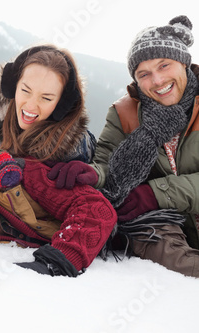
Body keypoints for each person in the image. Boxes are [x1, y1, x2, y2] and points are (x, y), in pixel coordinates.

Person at [50, 16, 199, 278]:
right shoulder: (124, 114)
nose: (157, 80)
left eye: (164, 65)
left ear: (184, 63)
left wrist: (156, 193)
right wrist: (93, 174)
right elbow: (107, 163)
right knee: (163, 249)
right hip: (163, 225)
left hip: (168, 206)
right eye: (144, 74)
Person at [0, 44, 96, 164]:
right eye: (25, 91)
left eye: (46, 98)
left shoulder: (72, 153)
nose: (31, 106)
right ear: (13, 86)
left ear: (62, 105)